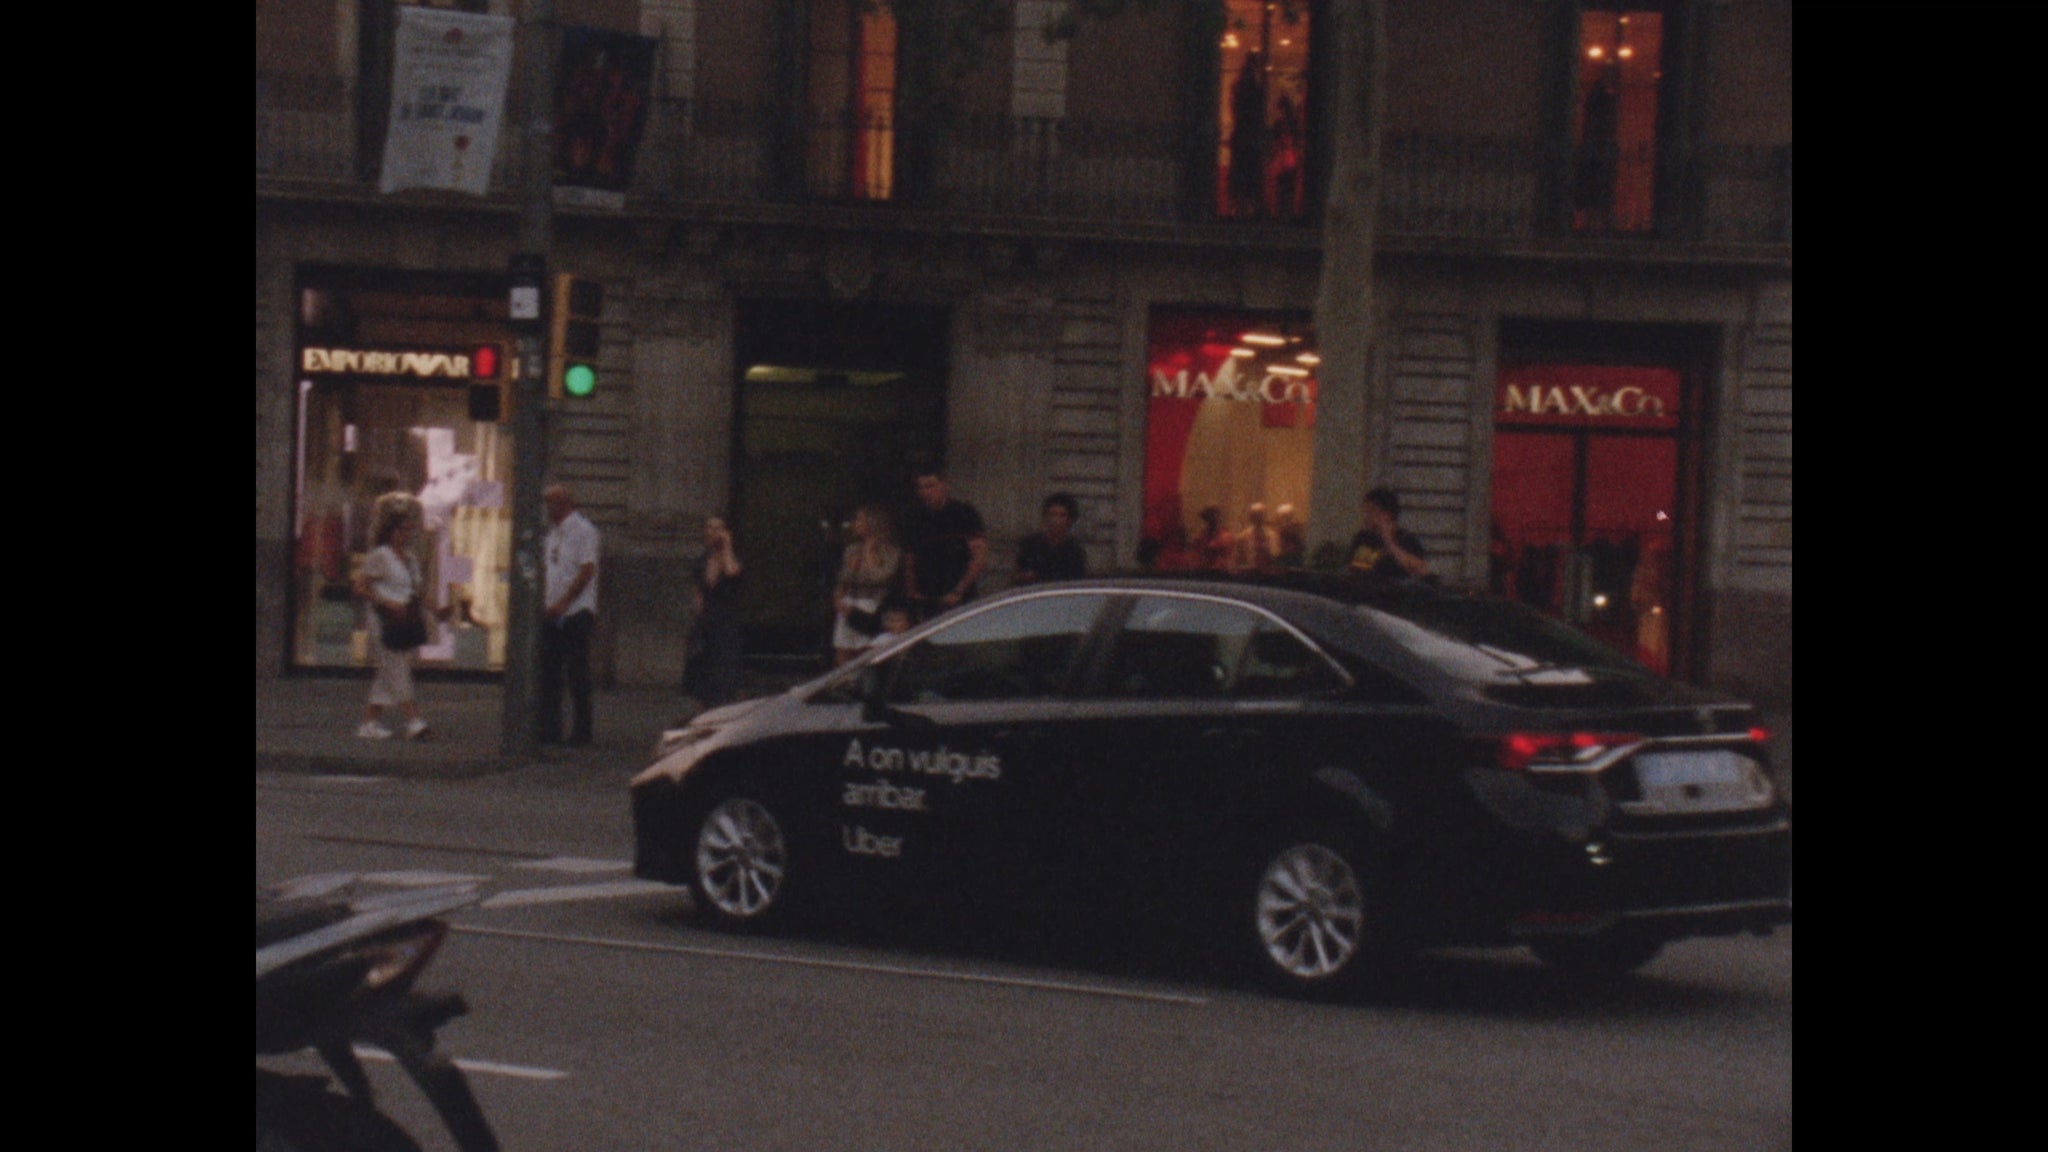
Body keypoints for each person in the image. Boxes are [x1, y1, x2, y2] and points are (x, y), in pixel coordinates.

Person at [354, 496, 434, 741]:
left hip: (404, 618)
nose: (406, 534)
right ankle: (413, 720)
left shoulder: (410, 559)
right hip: (383, 619)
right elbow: (361, 586)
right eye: (402, 529)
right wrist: (385, 601)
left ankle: (369, 722)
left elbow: (415, 591)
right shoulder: (381, 555)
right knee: (397, 667)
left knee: (388, 671)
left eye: (409, 530)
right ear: (390, 531)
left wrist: (435, 609)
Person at [539, 483, 600, 746]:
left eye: (549, 503)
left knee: (577, 672)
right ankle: (550, 728)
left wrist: (565, 602)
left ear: (562, 504)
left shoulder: (584, 531)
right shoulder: (552, 534)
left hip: (576, 611)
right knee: (549, 672)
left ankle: (582, 730)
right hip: (552, 610)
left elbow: (587, 571)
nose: (546, 509)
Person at [901, 469, 988, 621]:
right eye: (921, 488)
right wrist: (912, 591)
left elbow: (979, 556)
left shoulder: (964, 514)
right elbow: (909, 558)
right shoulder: (915, 518)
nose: (925, 492)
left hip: (958, 598)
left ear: (944, 485)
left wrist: (958, 591)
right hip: (926, 599)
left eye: (930, 486)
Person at [685, 516, 745, 706]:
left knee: (723, 677)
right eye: (710, 528)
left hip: (726, 623)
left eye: (718, 528)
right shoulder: (701, 562)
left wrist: (727, 547)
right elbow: (698, 594)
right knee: (705, 679)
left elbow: (731, 572)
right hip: (707, 624)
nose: (713, 532)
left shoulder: (733, 559)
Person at [832, 504, 902, 666]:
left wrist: (869, 552)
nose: (855, 524)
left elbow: (880, 577)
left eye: (859, 520)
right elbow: (843, 578)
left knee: (865, 650)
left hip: (872, 604)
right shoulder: (852, 549)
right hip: (848, 602)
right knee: (843, 648)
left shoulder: (890, 551)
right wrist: (838, 597)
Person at [1347, 487, 1428, 579]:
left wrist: (1389, 541)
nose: (1366, 516)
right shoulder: (1363, 538)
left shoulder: (1407, 539)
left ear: (1387, 514)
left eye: (1371, 511)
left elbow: (1419, 569)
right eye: (1365, 511)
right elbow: (1357, 568)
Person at [1014, 492, 1087, 585]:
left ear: (1070, 521)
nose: (1056, 520)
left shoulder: (1075, 552)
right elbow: (1019, 576)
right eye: (1052, 514)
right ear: (1045, 517)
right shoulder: (1030, 545)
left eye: (1062, 515)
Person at [1233, 501, 1279, 572]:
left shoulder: (1273, 536)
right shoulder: (1243, 537)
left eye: (1261, 515)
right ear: (1251, 517)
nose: (1258, 518)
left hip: (1269, 573)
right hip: (1249, 573)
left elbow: (1276, 557)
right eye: (1255, 515)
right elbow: (1238, 560)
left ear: (1264, 516)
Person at [1191, 504, 1234, 571]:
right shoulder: (1200, 538)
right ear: (1206, 519)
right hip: (1205, 572)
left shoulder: (1227, 537)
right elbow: (1196, 558)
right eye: (1210, 517)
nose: (1214, 519)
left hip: (1222, 572)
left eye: (1216, 516)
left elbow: (1230, 558)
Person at [1272, 502, 1306, 569]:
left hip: (1294, 561)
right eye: (1280, 518)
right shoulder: (1276, 531)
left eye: (1286, 518)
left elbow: (1301, 546)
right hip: (1280, 561)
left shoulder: (1296, 530)